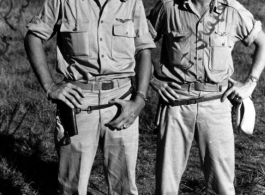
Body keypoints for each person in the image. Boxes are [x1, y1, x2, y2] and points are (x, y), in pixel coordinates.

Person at [24, 0, 155, 194]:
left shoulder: (131, 2)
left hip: (121, 103)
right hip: (78, 103)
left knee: (124, 187)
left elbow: (144, 49)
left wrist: (140, 99)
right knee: (72, 187)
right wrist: (51, 87)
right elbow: (33, 37)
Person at [148, 0, 265, 194]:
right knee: (165, 184)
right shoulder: (169, 7)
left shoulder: (232, 10)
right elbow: (138, 41)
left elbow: (262, 42)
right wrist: (152, 79)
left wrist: (251, 82)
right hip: (175, 103)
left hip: (216, 104)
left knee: (222, 185)